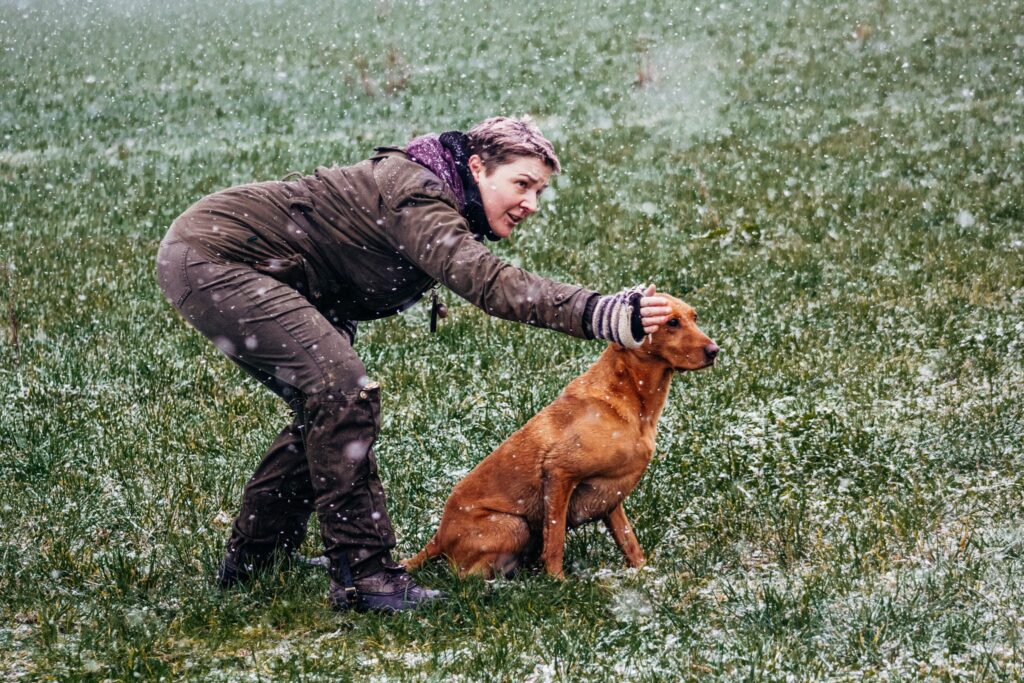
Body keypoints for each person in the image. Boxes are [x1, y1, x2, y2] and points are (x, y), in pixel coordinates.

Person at [156, 116, 672, 613]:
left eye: (539, 191)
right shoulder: (418, 194)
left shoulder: (437, 195)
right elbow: (488, 283)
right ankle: (365, 577)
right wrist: (599, 311)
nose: (531, 203)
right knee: (343, 396)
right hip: (215, 259)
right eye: (522, 184)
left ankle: (255, 561)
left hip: (264, 271)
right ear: (476, 168)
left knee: (329, 407)